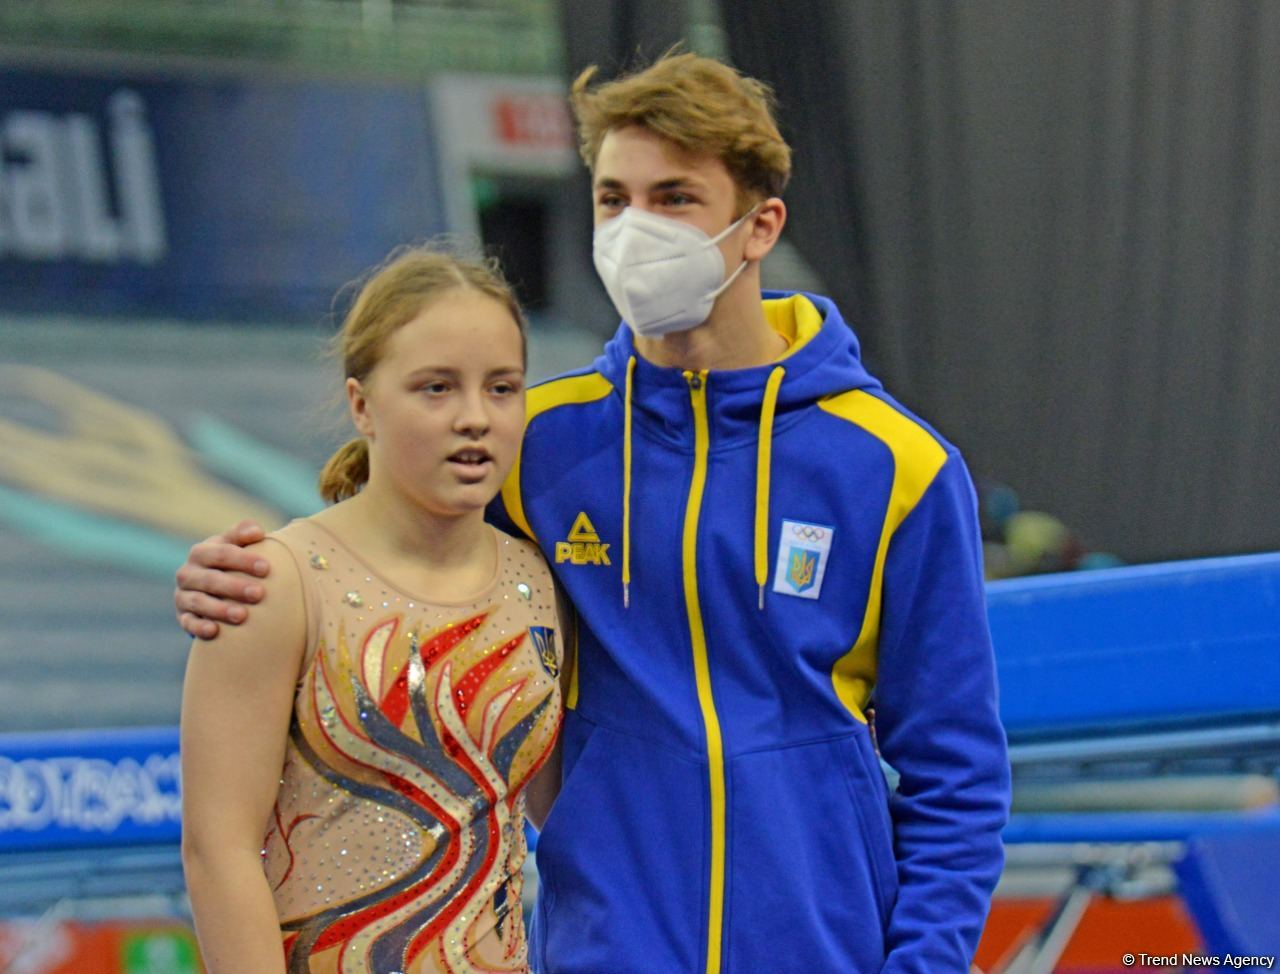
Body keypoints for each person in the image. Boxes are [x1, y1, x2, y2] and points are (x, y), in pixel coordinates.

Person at [176, 52, 1010, 974]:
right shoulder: (537, 440)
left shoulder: (899, 467)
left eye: (674, 198)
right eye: (614, 199)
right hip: (606, 951)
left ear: (759, 225)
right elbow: (373, 557)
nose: (635, 228)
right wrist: (233, 572)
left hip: (826, 950)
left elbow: (957, 778)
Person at [179, 247, 567, 974]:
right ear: (362, 404)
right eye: (436, 389)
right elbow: (217, 848)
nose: (475, 418)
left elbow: (560, 814)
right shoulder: (274, 587)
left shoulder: (542, 585)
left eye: (503, 388)